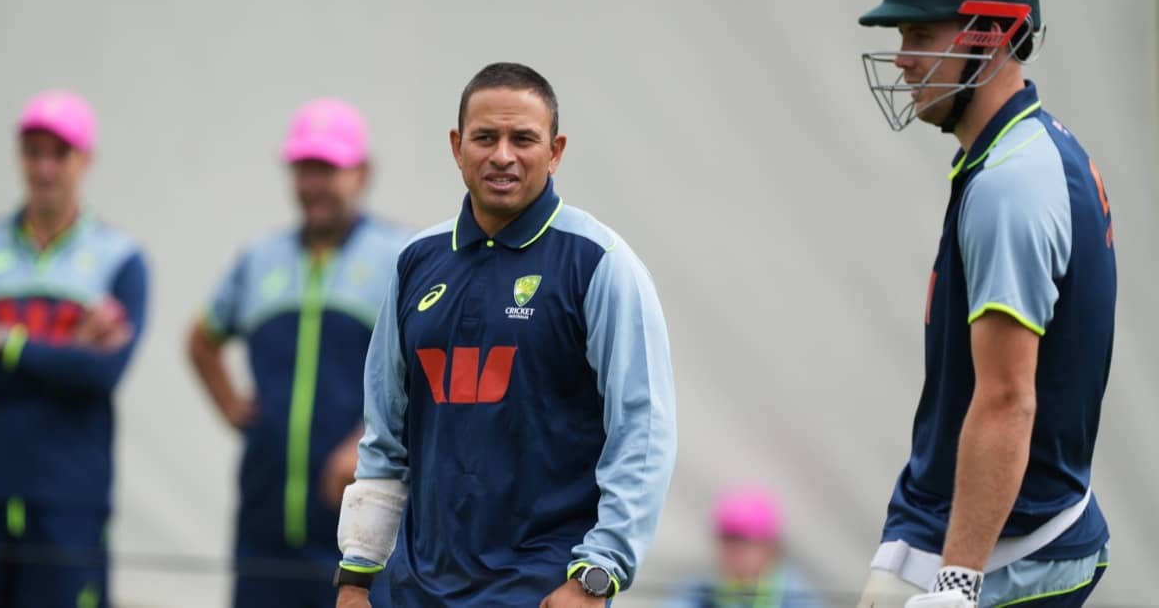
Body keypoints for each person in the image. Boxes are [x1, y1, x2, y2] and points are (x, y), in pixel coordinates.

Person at [331, 62, 677, 607]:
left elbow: (643, 430)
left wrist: (598, 574)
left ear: (556, 150)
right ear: (457, 146)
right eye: (485, 137)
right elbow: (385, 437)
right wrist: (356, 577)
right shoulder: (415, 262)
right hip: (414, 590)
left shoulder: (600, 263)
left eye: (524, 139)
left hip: (541, 589)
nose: (502, 155)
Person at [855, 0, 1115, 608]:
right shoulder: (1029, 147)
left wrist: (957, 580)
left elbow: (1008, 397)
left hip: (1005, 551)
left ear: (992, 36)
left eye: (918, 33)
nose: (905, 61)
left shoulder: (1011, 181)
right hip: (959, 521)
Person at [187, 98, 408, 607]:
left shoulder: (401, 258)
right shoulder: (260, 258)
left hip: (359, 524)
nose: (312, 184)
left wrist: (365, 438)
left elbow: (424, 374)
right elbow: (202, 340)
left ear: (361, 173)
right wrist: (231, 404)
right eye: (303, 169)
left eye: (327, 169)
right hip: (265, 520)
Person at [0, 90, 148, 607]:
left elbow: (103, 374)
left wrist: (5, 342)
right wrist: (69, 345)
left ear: (85, 160)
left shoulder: (119, 259)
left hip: (70, 502)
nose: (43, 168)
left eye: (57, 154)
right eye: (32, 151)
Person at [664, 487, 823, 608]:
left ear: (768, 547)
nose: (733, 553)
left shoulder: (796, 595)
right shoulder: (701, 591)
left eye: (743, 543)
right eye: (727, 541)